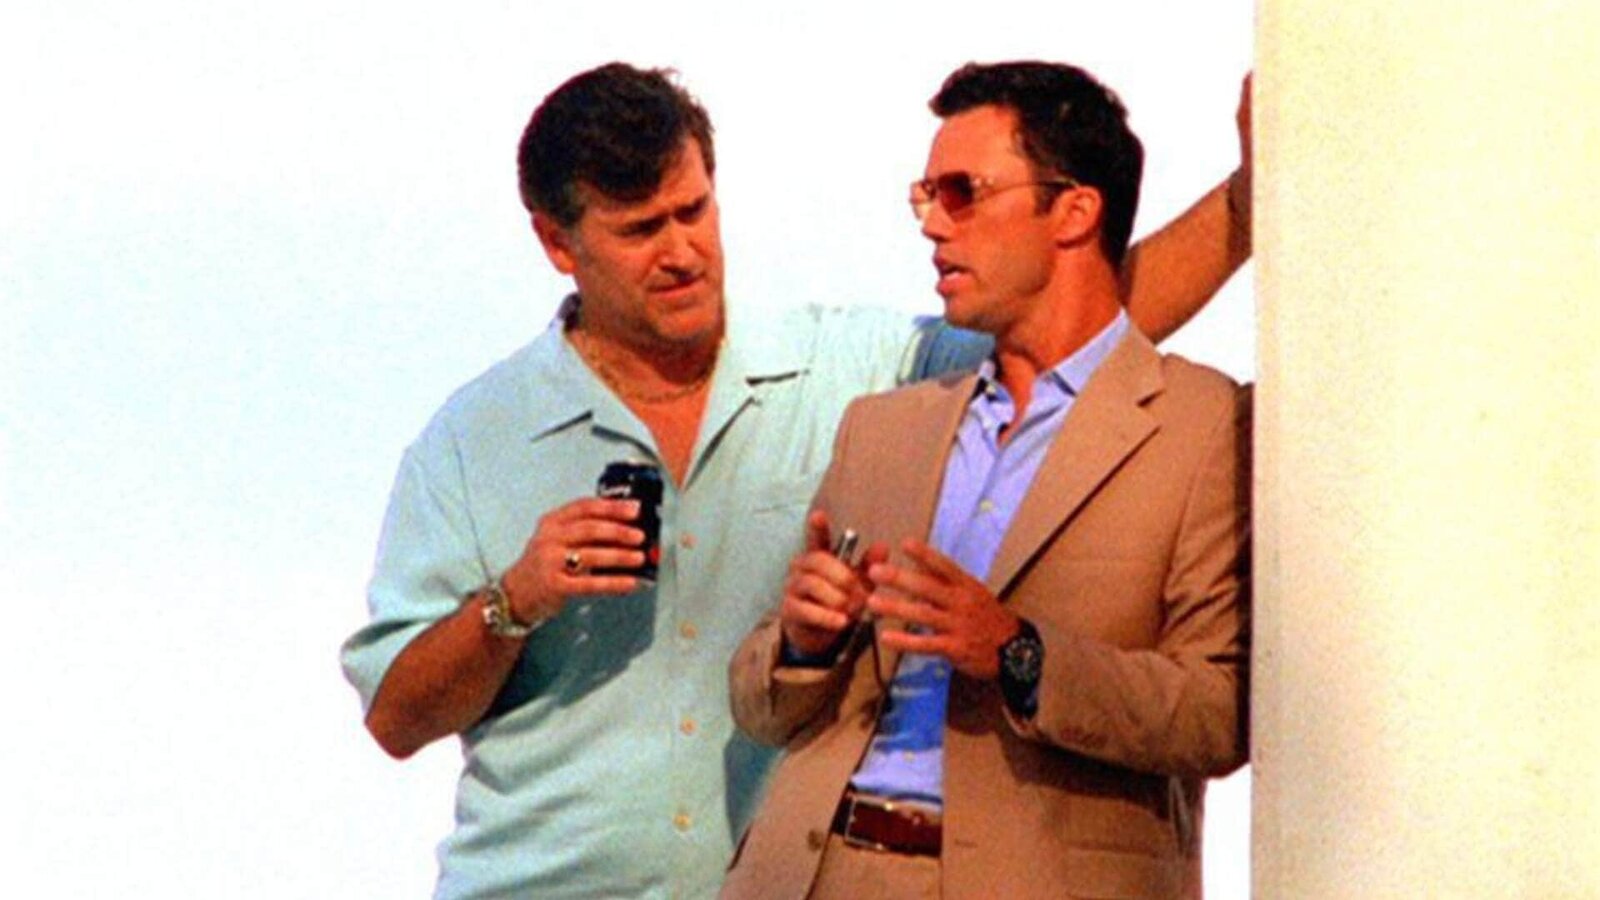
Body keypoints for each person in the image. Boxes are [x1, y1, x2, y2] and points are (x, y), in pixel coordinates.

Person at [340, 62, 1250, 899]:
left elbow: (1074, 323)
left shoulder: (849, 376)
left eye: (693, 211)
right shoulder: (472, 441)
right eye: (640, 230)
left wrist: (1261, 196)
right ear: (557, 242)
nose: (681, 251)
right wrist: (514, 601)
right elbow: (396, 717)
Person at [721, 61, 1250, 900]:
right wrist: (800, 644)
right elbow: (759, 707)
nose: (933, 224)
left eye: (962, 192)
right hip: (812, 872)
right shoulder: (881, 428)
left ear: (1074, 210)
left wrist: (1017, 651)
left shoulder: (1205, 424)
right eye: (926, 195)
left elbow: (1220, 712)